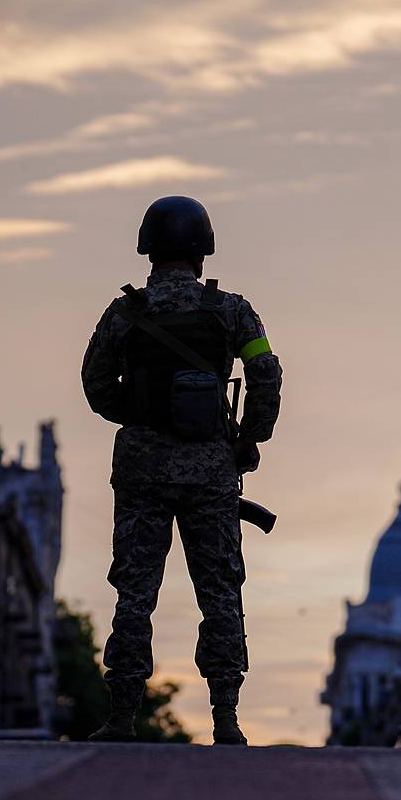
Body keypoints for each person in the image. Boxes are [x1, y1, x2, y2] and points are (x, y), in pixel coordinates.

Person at [81, 195, 282, 745]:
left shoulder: (124, 313)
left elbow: (95, 386)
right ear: (203, 248)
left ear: (148, 247)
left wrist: (142, 419)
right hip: (211, 473)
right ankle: (225, 719)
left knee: (134, 593)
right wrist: (246, 439)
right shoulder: (233, 311)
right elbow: (265, 372)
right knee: (219, 592)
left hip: (142, 472)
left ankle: (121, 716)